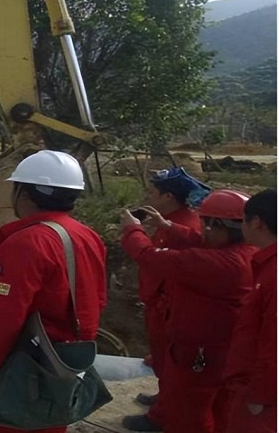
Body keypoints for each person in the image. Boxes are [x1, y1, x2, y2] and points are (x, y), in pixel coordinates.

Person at [0, 150, 107, 433]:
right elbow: (97, 299)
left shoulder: (26, 243)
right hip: (62, 366)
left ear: (24, 195)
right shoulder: (88, 236)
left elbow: (2, 320)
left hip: (22, 369)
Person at [121, 190, 257, 433]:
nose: (200, 227)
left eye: (204, 222)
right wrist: (169, 226)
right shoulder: (245, 253)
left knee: (187, 413)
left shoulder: (216, 264)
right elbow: (200, 240)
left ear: (216, 225)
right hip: (224, 349)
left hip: (198, 352)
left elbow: (149, 256)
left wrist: (133, 230)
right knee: (219, 408)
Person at [122, 167, 209, 432]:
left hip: (169, 308)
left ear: (168, 196)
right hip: (160, 306)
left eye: (153, 192)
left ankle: (160, 417)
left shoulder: (186, 226)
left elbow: (155, 260)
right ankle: (165, 397)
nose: (149, 196)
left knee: (173, 367)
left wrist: (133, 232)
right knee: (163, 362)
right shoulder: (172, 221)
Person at [220, 189, 276, 433]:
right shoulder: (264, 263)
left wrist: (259, 396)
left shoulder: (273, 275)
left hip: (262, 398)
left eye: (243, 219)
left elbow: (273, 343)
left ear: (256, 222)